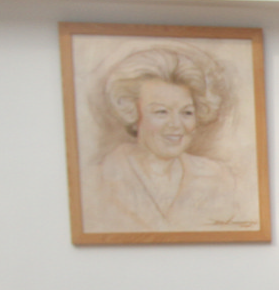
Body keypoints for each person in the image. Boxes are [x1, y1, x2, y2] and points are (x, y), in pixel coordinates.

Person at [82, 44, 254, 234]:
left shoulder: (219, 179)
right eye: (161, 112)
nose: (176, 125)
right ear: (132, 112)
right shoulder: (96, 181)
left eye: (186, 112)